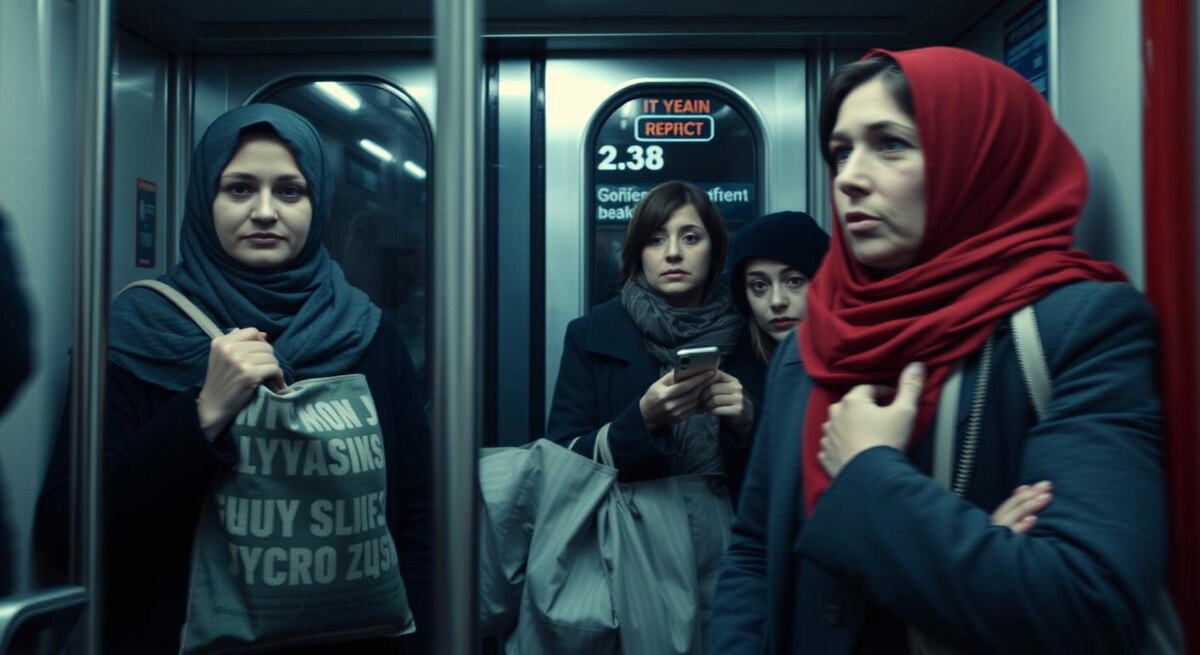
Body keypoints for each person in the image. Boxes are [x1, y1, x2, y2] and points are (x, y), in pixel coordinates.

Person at [709, 47, 1165, 653]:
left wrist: (871, 472)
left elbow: (1087, 604)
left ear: (978, 160)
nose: (849, 177)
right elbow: (754, 556)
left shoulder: (1078, 329)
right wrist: (975, 547)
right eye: (841, 152)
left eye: (891, 144)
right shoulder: (812, 345)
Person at [34, 105, 432, 653]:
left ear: (318, 203)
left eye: (289, 191)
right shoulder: (136, 332)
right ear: (205, 199)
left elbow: (417, 518)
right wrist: (203, 414)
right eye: (239, 189)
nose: (265, 212)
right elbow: (65, 533)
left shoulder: (367, 334)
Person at [547, 179, 765, 500]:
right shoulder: (590, 334)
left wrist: (749, 421)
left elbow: (788, 467)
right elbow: (559, 461)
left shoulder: (753, 331)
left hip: (733, 524)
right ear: (639, 253)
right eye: (656, 240)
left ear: (715, 250)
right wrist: (643, 420)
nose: (673, 253)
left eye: (690, 238)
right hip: (631, 527)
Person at [726, 211, 829, 362]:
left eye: (794, 281)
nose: (777, 301)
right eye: (759, 285)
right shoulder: (728, 365)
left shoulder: (858, 363)